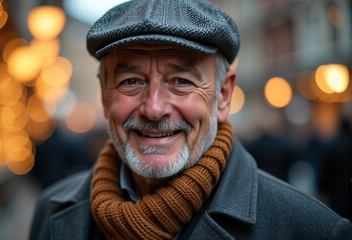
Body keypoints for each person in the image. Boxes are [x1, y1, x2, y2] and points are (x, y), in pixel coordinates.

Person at [30, 0, 352, 239]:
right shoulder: (53, 212)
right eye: (131, 82)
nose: (154, 109)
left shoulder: (311, 230)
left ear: (223, 95)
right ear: (104, 96)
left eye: (181, 81)